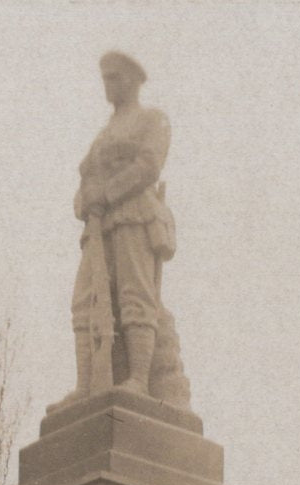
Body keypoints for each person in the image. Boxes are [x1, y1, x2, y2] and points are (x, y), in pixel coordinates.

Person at [54, 51, 189, 409]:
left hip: (134, 216)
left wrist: (107, 193)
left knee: (135, 295)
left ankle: (139, 381)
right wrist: (84, 202)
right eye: (105, 78)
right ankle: (86, 384)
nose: (107, 85)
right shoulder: (103, 135)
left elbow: (148, 166)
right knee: (85, 301)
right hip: (98, 227)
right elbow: (85, 179)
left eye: (114, 78)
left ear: (133, 80)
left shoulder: (151, 120)